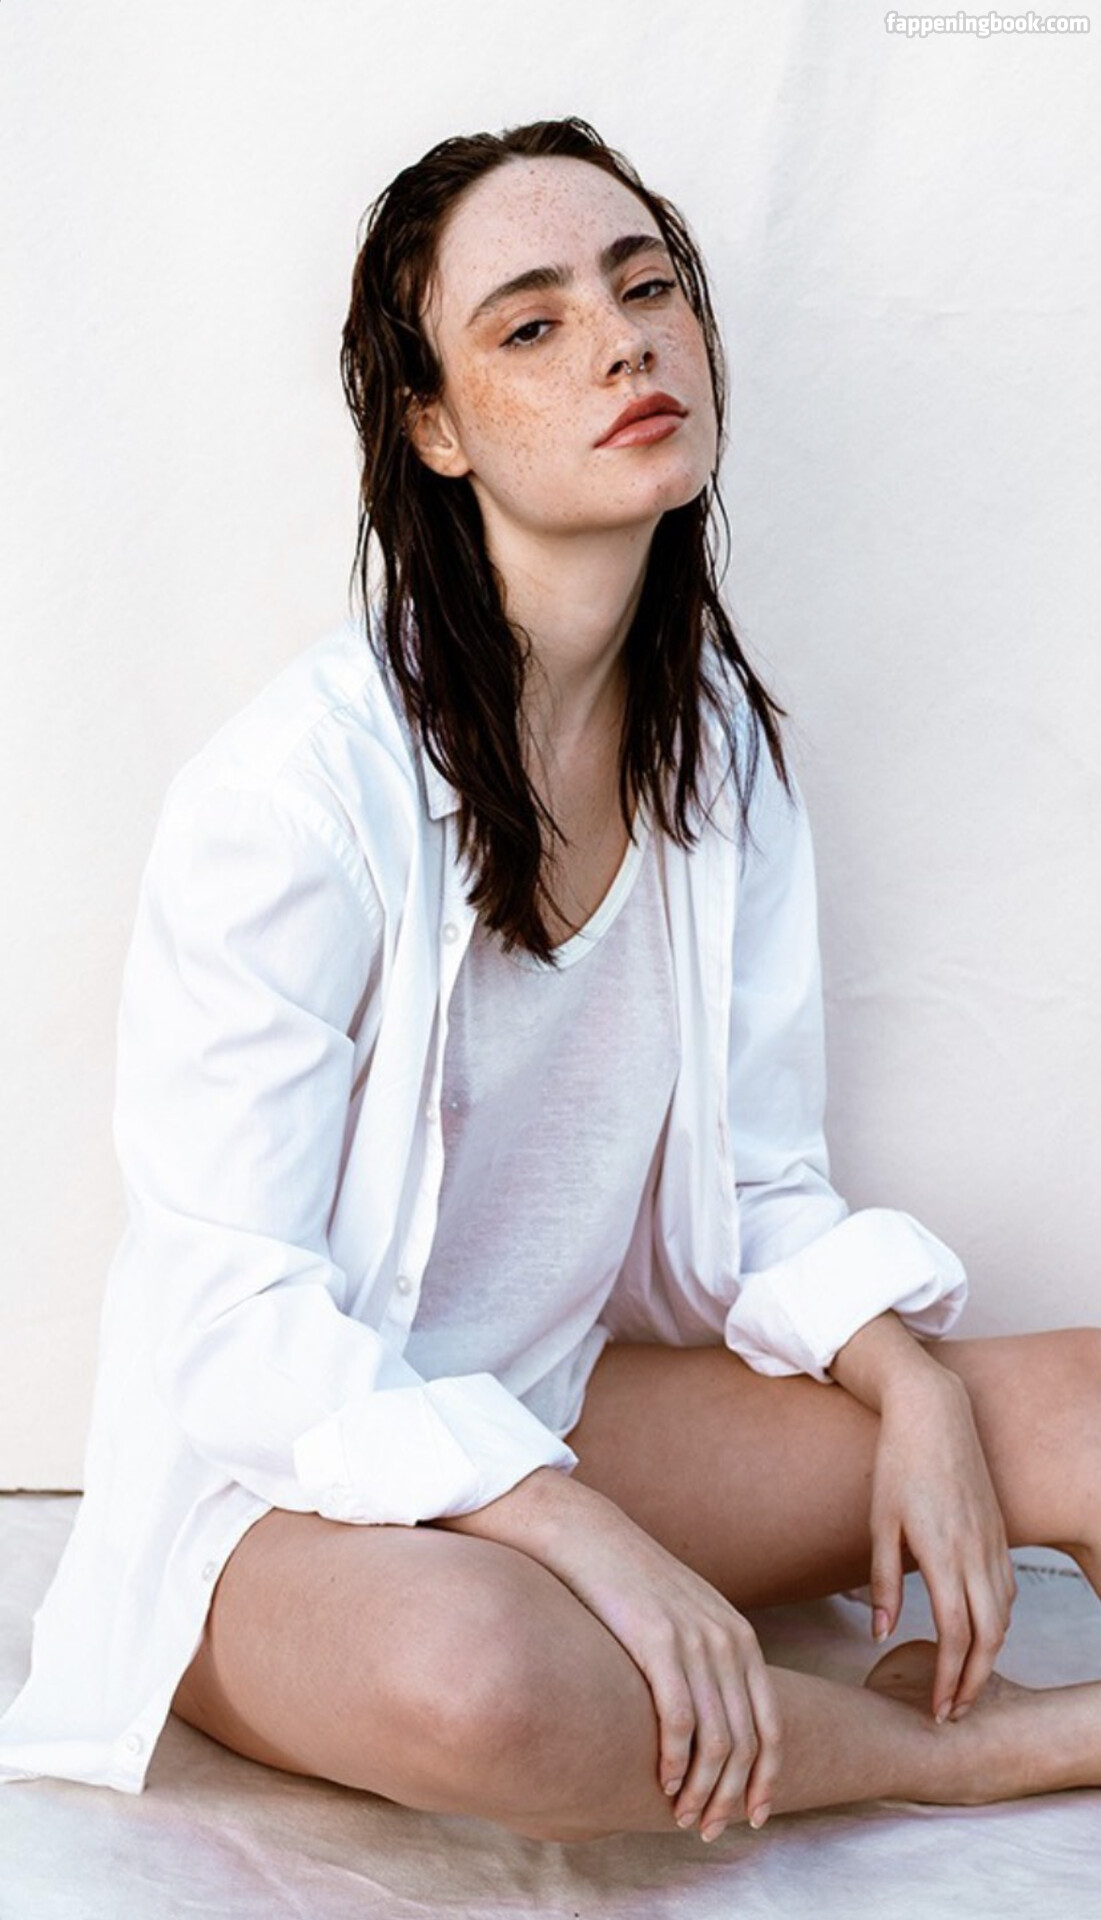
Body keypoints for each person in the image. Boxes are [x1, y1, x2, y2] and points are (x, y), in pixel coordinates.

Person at [2, 117, 1100, 1844]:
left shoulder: (714, 747)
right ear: (432, 428)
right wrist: (574, 1531)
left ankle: (734, 1652)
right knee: (486, 1682)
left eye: (644, 288)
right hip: (284, 1496)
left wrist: (913, 1392)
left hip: (555, 1398)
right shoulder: (292, 799)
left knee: (1084, 1407)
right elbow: (232, 1319)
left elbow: (755, 1189)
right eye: (531, 323)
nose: (621, 343)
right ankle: (948, 1754)